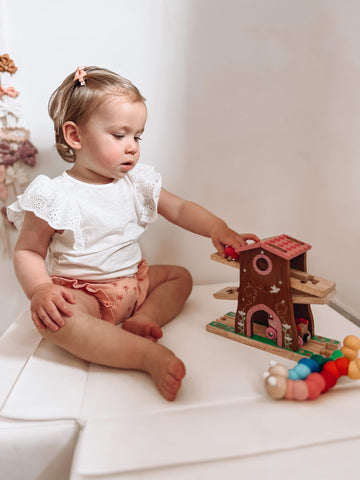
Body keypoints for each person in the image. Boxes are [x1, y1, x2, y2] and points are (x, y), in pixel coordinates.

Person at [8, 66, 259, 401]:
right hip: (87, 296)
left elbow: (180, 209)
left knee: (179, 277)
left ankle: (144, 319)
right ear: (75, 136)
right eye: (119, 135)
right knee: (56, 323)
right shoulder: (56, 195)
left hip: (135, 285)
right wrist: (40, 289)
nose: (132, 147)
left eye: (137, 136)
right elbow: (28, 251)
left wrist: (218, 228)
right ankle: (143, 355)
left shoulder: (136, 182)